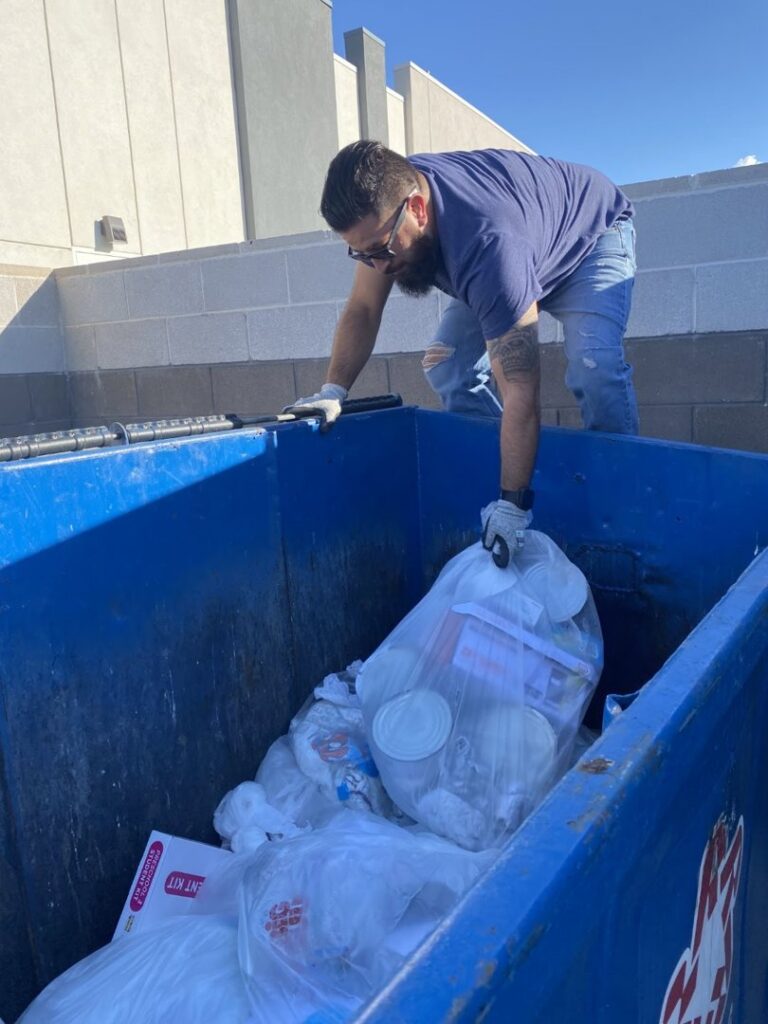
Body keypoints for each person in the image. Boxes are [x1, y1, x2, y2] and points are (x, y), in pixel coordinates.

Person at [288, 140, 639, 565]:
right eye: (360, 254)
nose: (377, 266)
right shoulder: (386, 202)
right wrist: (333, 389)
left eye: (381, 250)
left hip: (589, 238)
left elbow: (521, 392)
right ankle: (509, 475)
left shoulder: (489, 243)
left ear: (417, 209)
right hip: (522, 245)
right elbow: (363, 308)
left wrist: (513, 505)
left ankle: (621, 501)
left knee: (594, 366)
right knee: (448, 365)